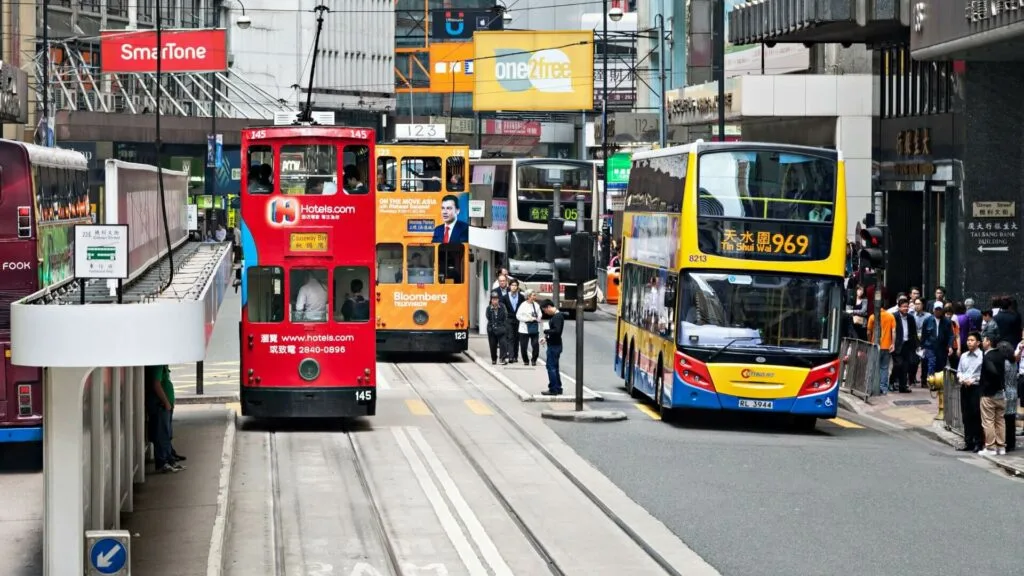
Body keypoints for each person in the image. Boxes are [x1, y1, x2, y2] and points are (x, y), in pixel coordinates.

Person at [146, 365, 184, 473]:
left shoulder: (162, 365)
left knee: (166, 434)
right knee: (161, 434)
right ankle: (163, 462)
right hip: (160, 406)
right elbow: (156, 384)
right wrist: (166, 402)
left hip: (164, 406)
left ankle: (169, 459)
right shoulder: (158, 365)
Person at [979, 334, 1007, 456]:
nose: (982, 342)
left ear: (988, 342)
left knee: (988, 421)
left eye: (984, 340)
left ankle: (990, 447)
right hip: (1001, 392)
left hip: (989, 393)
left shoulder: (987, 356)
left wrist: (987, 386)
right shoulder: (1001, 355)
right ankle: (1001, 446)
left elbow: (992, 371)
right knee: (1000, 420)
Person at [957, 332, 984, 453]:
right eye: (968, 340)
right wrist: (962, 378)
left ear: (978, 342)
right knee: (966, 415)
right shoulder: (963, 356)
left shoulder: (982, 357)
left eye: (972, 340)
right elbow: (959, 371)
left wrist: (973, 380)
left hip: (975, 388)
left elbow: (983, 374)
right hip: (964, 388)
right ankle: (968, 442)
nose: (969, 342)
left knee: (976, 415)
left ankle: (978, 442)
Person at [540, 299, 565, 396]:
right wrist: (546, 338)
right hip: (554, 344)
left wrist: (547, 331)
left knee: (551, 367)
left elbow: (557, 331)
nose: (545, 312)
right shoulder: (556, 316)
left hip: (554, 346)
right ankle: (558, 387)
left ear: (549, 307)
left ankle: (553, 388)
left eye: (545, 310)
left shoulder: (557, 317)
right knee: (554, 367)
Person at [516, 290, 542, 366]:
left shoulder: (536, 305)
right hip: (524, 329)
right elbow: (518, 316)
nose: (535, 297)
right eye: (533, 295)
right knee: (523, 346)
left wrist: (537, 318)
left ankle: (534, 359)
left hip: (534, 327)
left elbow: (540, 314)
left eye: (535, 295)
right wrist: (527, 319)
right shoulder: (523, 305)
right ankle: (526, 360)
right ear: (528, 296)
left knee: (535, 345)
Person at [504, 279, 524, 364]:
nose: (514, 287)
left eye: (515, 285)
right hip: (509, 319)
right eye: (512, 285)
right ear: (509, 286)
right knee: (510, 337)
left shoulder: (521, 297)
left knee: (517, 338)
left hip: (518, 320)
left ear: (518, 287)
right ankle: (511, 356)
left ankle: (515, 356)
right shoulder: (505, 297)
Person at [485, 291, 508, 365]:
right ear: (491, 300)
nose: (495, 301)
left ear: (498, 299)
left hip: (501, 328)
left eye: (496, 299)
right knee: (493, 345)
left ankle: (503, 358)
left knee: (503, 344)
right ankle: (494, 358)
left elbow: (505, 316)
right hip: (491, 329)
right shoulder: (489, 308)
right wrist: (492, 326)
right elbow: (488, 317)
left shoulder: (502, 306)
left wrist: (502, 325)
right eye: (493, 299)